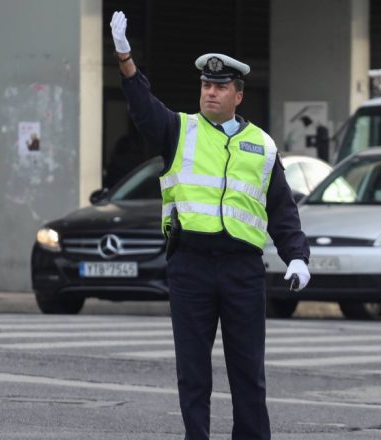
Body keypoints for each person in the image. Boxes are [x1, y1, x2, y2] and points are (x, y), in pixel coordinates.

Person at [110, 11, 311, 440]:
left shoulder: (262, 144)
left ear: (238, 96)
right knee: (193, 374)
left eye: (220, 87)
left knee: (248, 374)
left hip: (242, 270)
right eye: (206, 85)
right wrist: (126, 59)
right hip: (191, 266)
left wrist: (297, 257)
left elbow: (281, 207)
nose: (210, 93)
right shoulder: (179, 130)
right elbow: (144, 108)